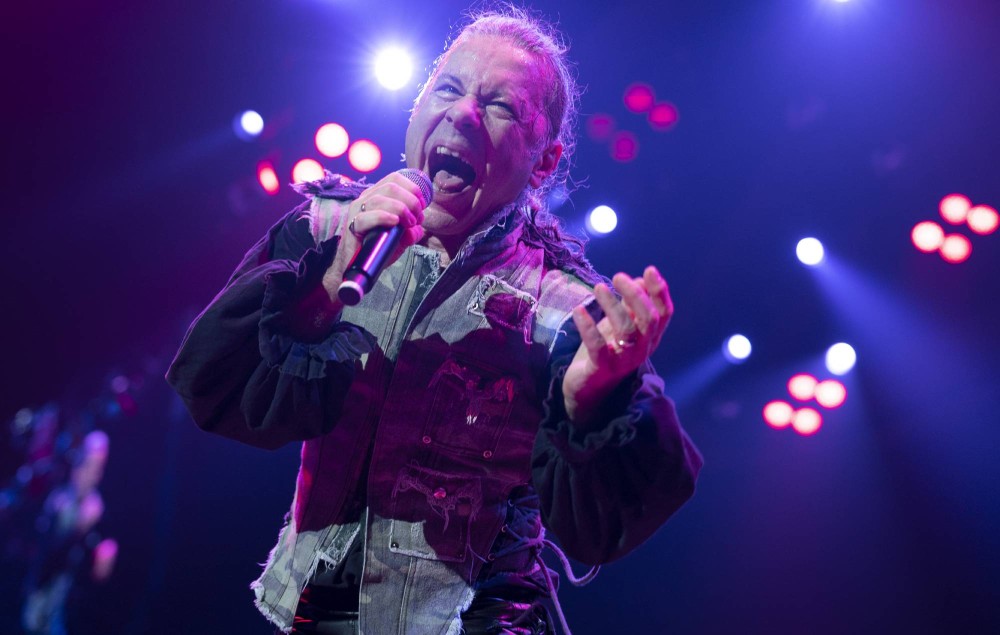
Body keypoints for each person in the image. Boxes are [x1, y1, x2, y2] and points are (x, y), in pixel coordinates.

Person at [167, 8, 702, 635]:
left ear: (544, 161)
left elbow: (611, 521)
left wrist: (594, 402)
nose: (463, 114)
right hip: (309, 615)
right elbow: (217, 389)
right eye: (447, 89)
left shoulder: (563, 306)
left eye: (499, 106)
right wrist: (324, 286)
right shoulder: (328, 231)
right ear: (416, 112)